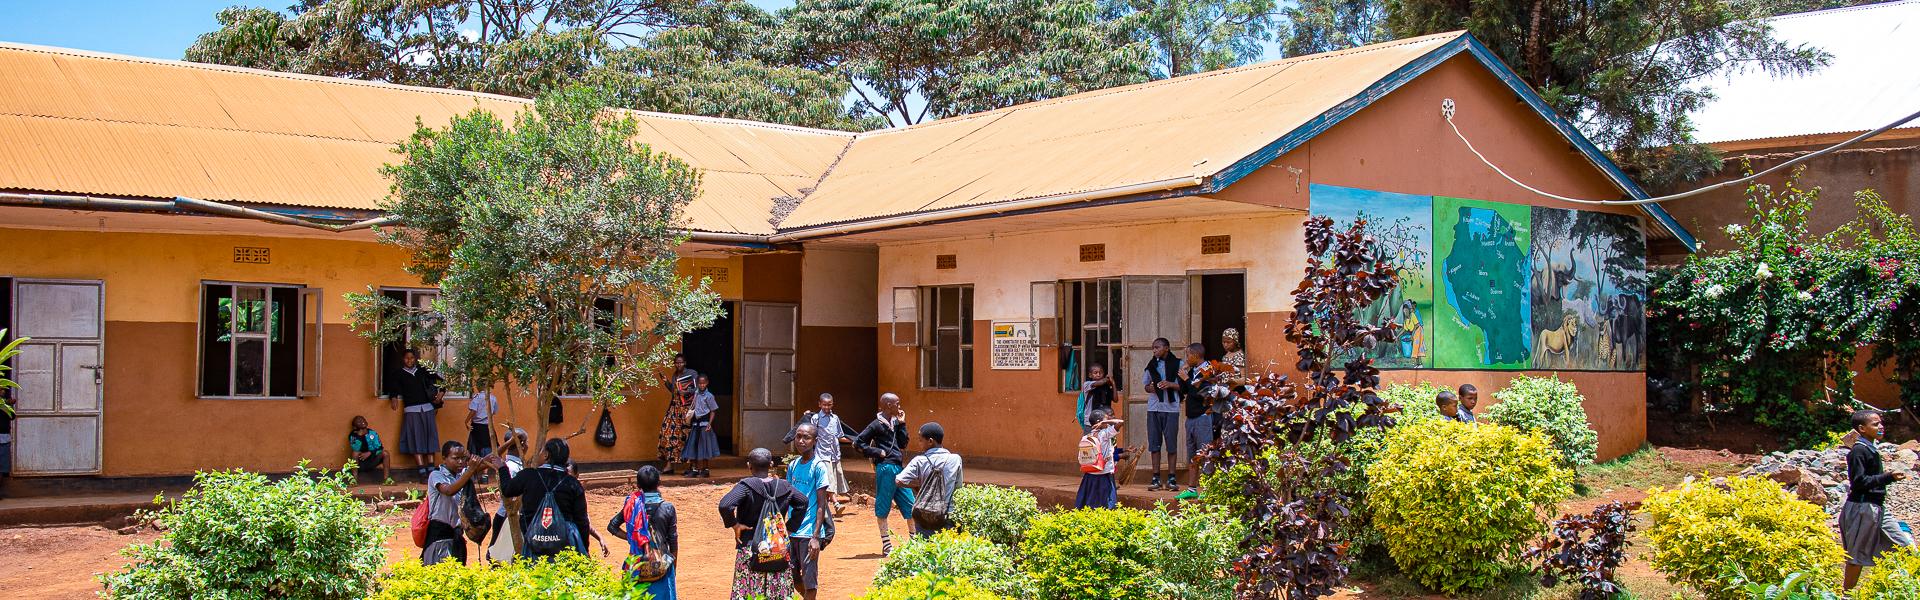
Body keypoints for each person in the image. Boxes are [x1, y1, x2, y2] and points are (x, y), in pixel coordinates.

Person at [498, 438, 609, 560]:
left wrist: (502, 468)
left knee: (535, 575)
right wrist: (583, 548)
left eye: (541, 451)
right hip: (566, 544)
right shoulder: (573, 484)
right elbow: (581, 521)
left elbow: (508, 490)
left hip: (535, 542)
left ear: (546, 455)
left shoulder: (528, 476)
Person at [719, 448, 807, 600]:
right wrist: (789, 528)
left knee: (748, 591)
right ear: (771, 464)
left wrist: (735, 525)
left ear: (749, 465)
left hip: (750, 548)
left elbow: (725, 505)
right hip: (777, 548)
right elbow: (803, 502)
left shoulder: (746, 486)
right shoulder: (784, 486)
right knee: (777, 591)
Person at [1842, 410, 1915, 589]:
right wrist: (1887, 477)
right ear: (1862, 428)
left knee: (1905, 546)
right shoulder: (1858, 451)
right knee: (1856, 557)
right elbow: (1858, 482)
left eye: (1881, 423)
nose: (1881, 427)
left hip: (1877, 507)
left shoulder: (1870, 449)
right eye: (1875, 424)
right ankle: (1846, 594)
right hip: (1861, 507)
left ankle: (1902, 588)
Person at [855, 392, 914, 557]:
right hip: (885, 468)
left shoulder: (896, 423)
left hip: (898, 468)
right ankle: (887, 545)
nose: (899, 406)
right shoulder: (876, 424)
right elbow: (858, 443)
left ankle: (915, 542)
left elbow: (903, 443)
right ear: (889, 405)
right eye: (897, 403)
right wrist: (877, 452)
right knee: (883, 507)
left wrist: (902, 424)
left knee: (911, 505)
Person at [785, 393, 860, 516]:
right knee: (827, 479)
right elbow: (809, 432)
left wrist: (855, 440)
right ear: (819, 404)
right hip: (822, 454)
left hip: (834, 454)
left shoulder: (835, 418)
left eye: (829, 404)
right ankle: (835, 504)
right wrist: (807, 417)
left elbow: (840, 436)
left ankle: (824, 507)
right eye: (824, 404)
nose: (827, 407)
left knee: (835, 478)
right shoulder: (816, 418)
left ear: (832, 404)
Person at [610, 465, 678, 600]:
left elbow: (612, 526)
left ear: (638, 485)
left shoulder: (631, 505)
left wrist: (632, 538)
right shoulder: (668, 508)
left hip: (636, 564)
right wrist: (673, 568)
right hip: (662, 564)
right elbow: (673, 542)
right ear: (659, 483)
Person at [785, 423, 836, 600]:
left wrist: (815, 537)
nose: (801, 441)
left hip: (809, 533)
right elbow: (788, 498)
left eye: (806, 437)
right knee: (791, 575)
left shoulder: (819, 467)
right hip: (792, 530)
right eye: (798, 436)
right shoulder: (792, 466)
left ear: (815, 441)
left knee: (810, 581)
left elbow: (822, 504)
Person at [425, 440, 492, 565]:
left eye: (462, 458)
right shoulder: (436, 475)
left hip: (456, 534)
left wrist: (509, 442)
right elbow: (449, 490)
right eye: (456, 458)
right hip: (439, 534)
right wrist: (470, 470)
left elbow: (489, 460)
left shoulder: (462, 474)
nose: (460, 462)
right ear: (444, 459)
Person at [384, 348, 444, 476]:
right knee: (416, 439)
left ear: (415, 359)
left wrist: (441, 394)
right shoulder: (398, 374)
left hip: (428, 408)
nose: (409, 360)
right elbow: (392, 388)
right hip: (411, 410)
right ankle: (422, 471)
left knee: (429, 438)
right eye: (406, 358)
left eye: (411, 358)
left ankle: (431, 470)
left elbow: (441, 381)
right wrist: (393, 397)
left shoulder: (423, 370)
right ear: (402, 359)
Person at [897, 422, 963, 537]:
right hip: (948, 514)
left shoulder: (919, 461)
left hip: (924, 515)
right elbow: (958, 486)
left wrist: (919, 485)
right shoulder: (955, 459)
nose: (919, 443)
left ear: (930, 441)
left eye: (920, 440)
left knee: (925, 551)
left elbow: (899, 480)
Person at [1141, 338, 1183, 491]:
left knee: (1171, 444)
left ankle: (1172, 477)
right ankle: (1156, 477)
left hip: (1171, 408)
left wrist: (1170, 384)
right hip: (1154, 408)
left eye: (1157, 347)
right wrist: (1150, 388)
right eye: (1153, 348)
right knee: (1154, 443)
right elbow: (1145, 385)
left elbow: (1185, 385)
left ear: (1166, 348)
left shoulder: (1179, 363)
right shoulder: (1151, 365)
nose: (1154, 350)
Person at [486, 427, 529, 561]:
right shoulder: (511, 467)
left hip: (508, 515)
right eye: (526, 442)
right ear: (521, 444)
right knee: (500, 554)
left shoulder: (516, 465)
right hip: (507, 516)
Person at [1179, 343, 1214, 493]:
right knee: (1192, 454)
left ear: (1194, 355)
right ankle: (1192, 488)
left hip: (1203, 418)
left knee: (1205, 453)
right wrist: (1183, 376)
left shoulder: (1208, 371)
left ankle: (1208, 489)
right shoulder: (1193, 371)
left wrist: (1186, 379)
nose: (1187, 358)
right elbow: (1185, 391)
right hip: (1191, 418)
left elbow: (1200, 394)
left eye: (1188, 355)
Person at [658, 355, 697, 477]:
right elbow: (673, 390)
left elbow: (697, 389)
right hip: (674, 409)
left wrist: (686, 392)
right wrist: (665, 381)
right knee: (667, 433)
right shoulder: (675, 375)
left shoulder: (692, 373)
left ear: (685, 362)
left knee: (686, 436)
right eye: (676, 363)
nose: (678, 365)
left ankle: (692, 466)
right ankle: (669, 465)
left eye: (680, 363)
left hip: (686, 409)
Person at [1076, 409, 1123, 509]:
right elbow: (1121, 422)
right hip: (1104, 474)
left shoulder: (1086, 437)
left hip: (1089, 474)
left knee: (1089, 504)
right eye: (1105, 420)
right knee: (1107, 504)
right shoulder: (1104, 434)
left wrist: (1104, 421)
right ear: (1099, 422)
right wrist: (1105, 422)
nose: (1107, 422)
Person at [681, 374, 721, 478]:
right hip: (695, 423)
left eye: (703, 383)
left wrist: (709, 423)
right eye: (700, 383)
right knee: (693, 446)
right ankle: (694, 469)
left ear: (707, 383)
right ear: (697, 383)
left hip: (704, 424)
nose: (702, 385)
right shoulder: (696, 393)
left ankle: (705, 469)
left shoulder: (709, 396)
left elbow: (713, 411)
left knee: (705, 447)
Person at [348, 415, 391, 483]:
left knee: (385, 453)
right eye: (358, 422)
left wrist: (370, 452)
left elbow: (379, 448)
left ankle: (387, 479)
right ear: (355, 427)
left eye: (363, 420)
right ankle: (354, 480)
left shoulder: (372, 433)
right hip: (360, 463)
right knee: (355, 453)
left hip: (372, 461)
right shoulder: (353, 435)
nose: (362, 422)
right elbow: (355, 448)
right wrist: (359, 436)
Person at [466, 383, 499, 468]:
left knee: (476, 448)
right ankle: (486, 470)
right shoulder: (493, 398)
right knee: (488, 446)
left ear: (478, 387)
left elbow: (473, 411)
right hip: (488, 426)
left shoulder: (477, 398)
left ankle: (476, 468)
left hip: (477, 426)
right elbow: (494, 411)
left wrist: (466, 421)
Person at [1080, 363, 1116, 433]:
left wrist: (1113, 384)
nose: (1098, 374)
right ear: (1090, 375)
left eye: (1101, 372)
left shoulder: (1106, 386)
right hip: (1091, 422)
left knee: (1104, 442)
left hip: (1105, 422)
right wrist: (1108, 379)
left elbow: (1115, 399)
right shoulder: (1087, 384)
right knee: (1091, 442)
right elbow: (1100, 382)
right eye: (1095, 373)